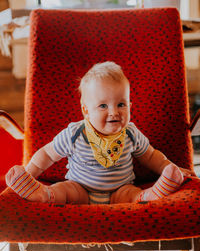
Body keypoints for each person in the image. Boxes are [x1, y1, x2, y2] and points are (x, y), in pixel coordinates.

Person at [5, 61, 193, 205]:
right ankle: (42, 194)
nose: (114, 112)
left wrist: (171, 167)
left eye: (121, 104)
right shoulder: (75, 133)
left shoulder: (130, 134)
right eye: (103, 106)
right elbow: (46, 154)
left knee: (131, 194)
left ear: (130, 106)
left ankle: (150, 194)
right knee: (64, 190)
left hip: (120, 190)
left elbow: (151, 156)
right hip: (81, 190)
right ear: (86, 110)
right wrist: (29, 173)